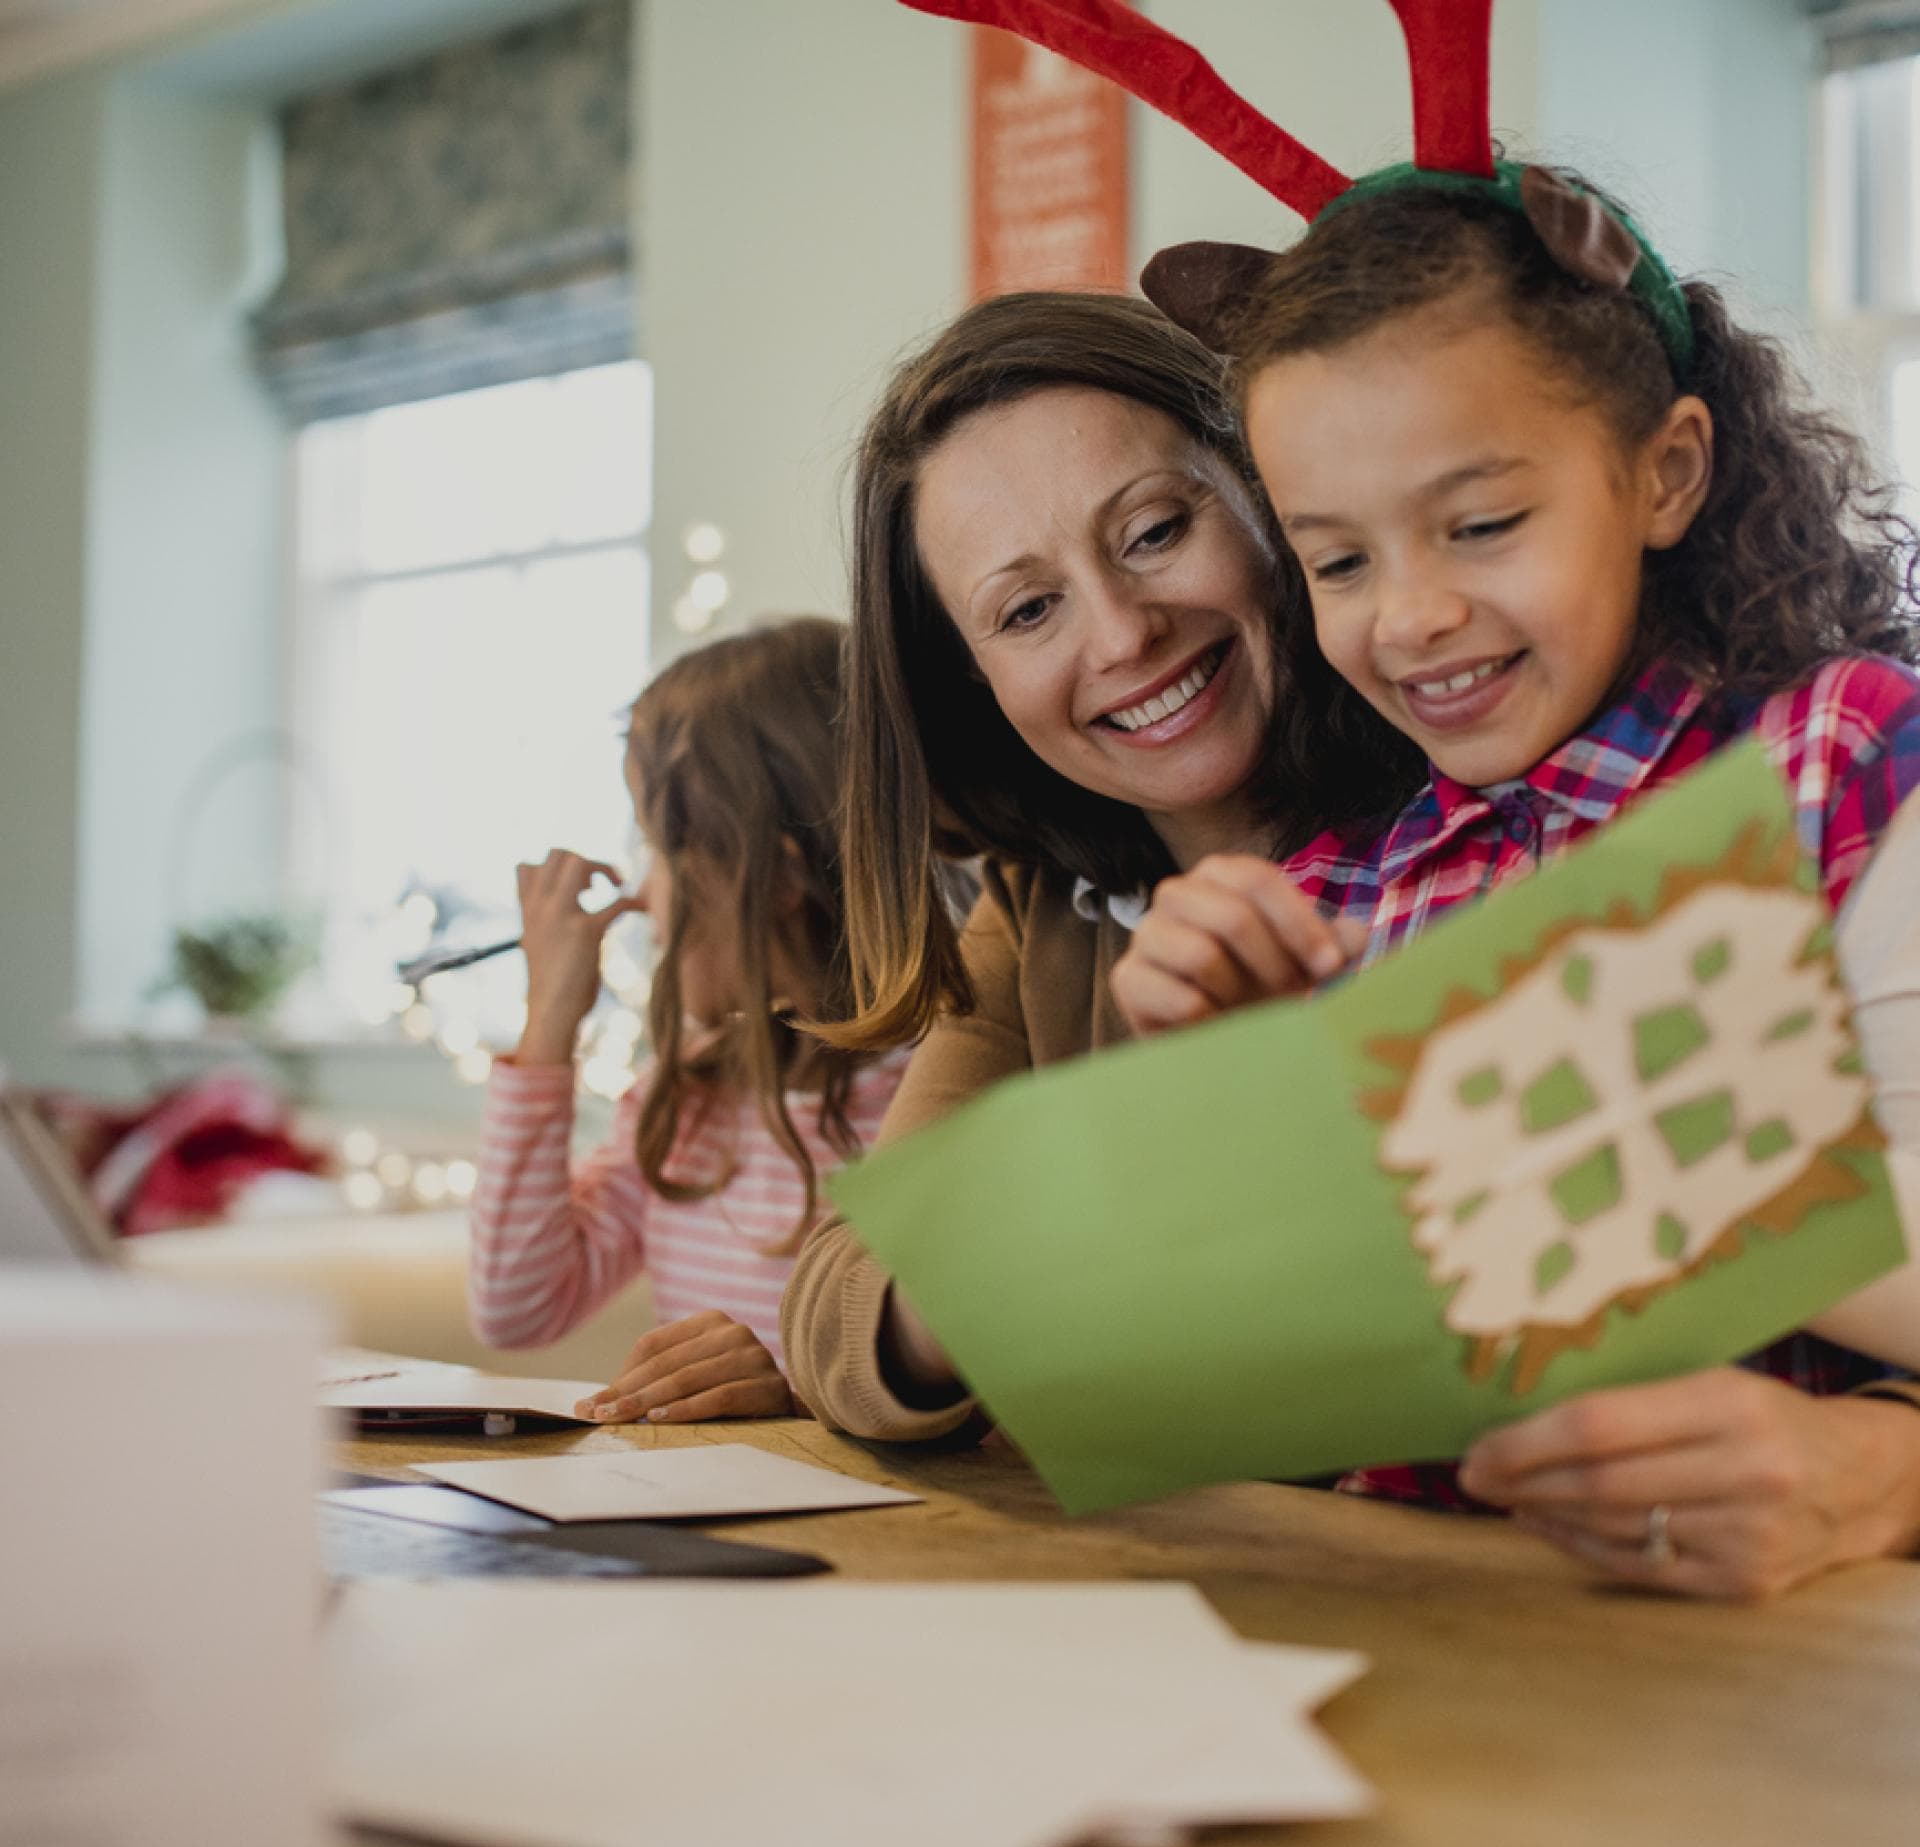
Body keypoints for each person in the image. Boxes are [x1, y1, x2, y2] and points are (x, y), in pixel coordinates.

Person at [1105, 172, 1920, 1597]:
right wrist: (1217, 1117)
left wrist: (1539, 1140)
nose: (1411, 614)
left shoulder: (1841, 760)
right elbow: (1247, 1392)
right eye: (1339, 560)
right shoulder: (1339, 883)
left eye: (1481, 526)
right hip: (1442, 1637)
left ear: (1664, 473)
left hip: (1772, 1668)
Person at [781, 291, 1420, 1439]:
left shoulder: (1479, 813)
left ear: (1267, 498)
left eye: (1156, 533)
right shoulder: (1040, 916)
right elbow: (841, 1316)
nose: (1124, 635)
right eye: (1028, 610)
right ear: (973, 679)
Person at [467, 618, 908, 1423]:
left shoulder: (932, 1101)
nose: (640, 897)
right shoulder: (688, 1097)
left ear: (775, 877)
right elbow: (515, 1307)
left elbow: (976, 1401)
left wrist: (798, 1393)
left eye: (657, 851)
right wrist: (547, 1030)